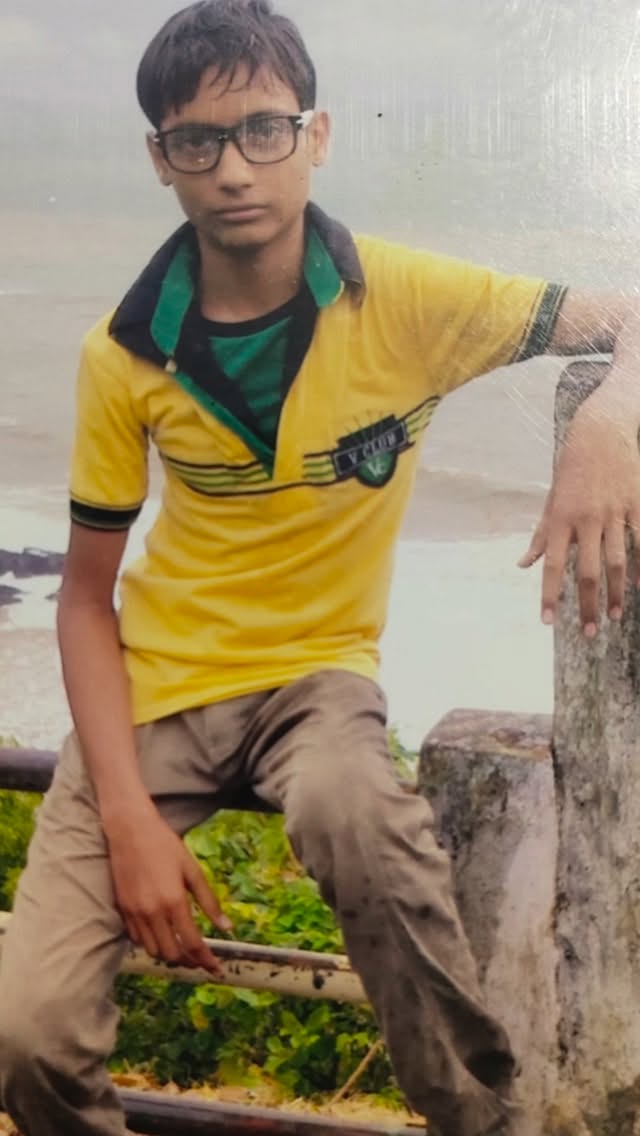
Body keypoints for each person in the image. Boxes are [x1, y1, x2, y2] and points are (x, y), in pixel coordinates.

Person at [2, 2, 640, 1134]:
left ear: (318, 135)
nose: (233, 167)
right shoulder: (125, 351)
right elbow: (87, 600)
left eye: (264, 129)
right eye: (197, 140)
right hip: (153, 689)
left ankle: (480, 1122)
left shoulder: (406, 301)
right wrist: (130, 820)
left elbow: (629, 315)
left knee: (364, 824)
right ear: (160, 158)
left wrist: (606, 425)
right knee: (28, 1033)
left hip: (317, 681)